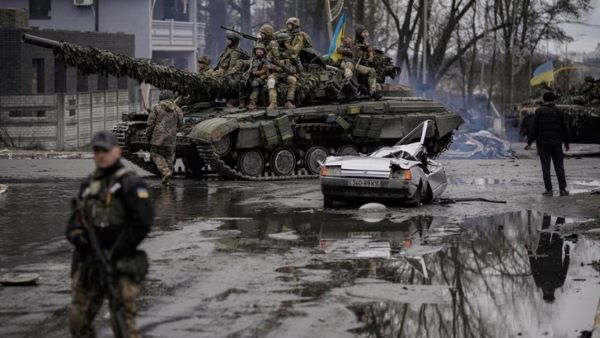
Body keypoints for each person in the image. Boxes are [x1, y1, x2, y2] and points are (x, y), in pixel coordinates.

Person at [66, 131, 153, 338]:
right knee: (78, 321)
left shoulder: (130, 183)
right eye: (97, 150)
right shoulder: (89, 185)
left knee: (123, 324)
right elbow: (74, 221)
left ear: (117, 152)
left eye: (105, 150)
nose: (101, 155)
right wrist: (79, 237)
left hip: (119, 263)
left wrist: (117, 248)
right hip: (89, 263)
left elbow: (142, 222)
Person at [526, 92, 571, 196]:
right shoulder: (559, 111)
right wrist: (567, 142)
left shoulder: (539, 111)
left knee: (546, 167)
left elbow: (534, 128)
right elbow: (565, 128)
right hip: (556, 143)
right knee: (559, 166)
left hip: (543, 144)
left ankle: (549, 190)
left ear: (544, 99)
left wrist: (529, 142)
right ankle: (562, 189)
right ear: (554, 100)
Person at [146, 90, 183, 185]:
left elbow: (150, 123)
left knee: (155, 154)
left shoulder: (156, 108)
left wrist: (148, 134)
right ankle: (167, 178)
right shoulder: (177, 109)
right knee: (169, 156)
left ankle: (165, 172)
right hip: (171, 137)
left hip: (157, 137)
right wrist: (176, 130)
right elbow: (181, 123)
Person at [266, 32, 299, 110]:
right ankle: (273, 103)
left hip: (287, 74)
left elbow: (296, 63)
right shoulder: (272, 53)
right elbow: (267, 63)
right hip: (276, 73)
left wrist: (292, 69)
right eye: (286, 41)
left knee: (293, 80)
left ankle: (289, 102)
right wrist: (275, 67)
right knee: (271, 81)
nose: (287, 43)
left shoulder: (290, 52)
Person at [241, 43, 269, 110]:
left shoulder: (266, 60)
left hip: (263, 78)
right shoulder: (253, 59)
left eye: (260, 50)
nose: (258, 51)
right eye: (257, 49)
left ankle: (253, 102)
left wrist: (256, 73)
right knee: (242, 82)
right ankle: (242, 101)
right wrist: (247, 73)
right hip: (253, 76)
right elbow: (250, 68)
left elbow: (265, 70)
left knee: (255, 83)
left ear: (264, 51)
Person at [353, 25, 379, 97]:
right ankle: (372, 92)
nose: (365, 34)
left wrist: (370, 57)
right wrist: (357, 48)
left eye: (365, 32)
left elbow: (370, 52)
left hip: (361, 65)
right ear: (359, 33)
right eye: (363, 32)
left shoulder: (365, 43)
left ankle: (371, 91)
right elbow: (340, 49)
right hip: (352, 64)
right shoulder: (352, 42)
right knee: (371, 71)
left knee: (372, 71)